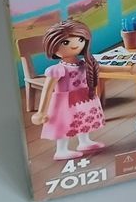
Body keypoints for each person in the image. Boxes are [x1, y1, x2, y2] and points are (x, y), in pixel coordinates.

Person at [31, 19, 106, 160]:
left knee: (83, 120)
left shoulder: (84, 64)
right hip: (64, 102)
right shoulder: (57, 69)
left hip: (83, 97)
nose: (75, 44)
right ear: (53, 46)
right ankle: (61, 150)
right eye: (65, 42)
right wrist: (41, 112)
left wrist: (128, 69)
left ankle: (84, 142)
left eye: (80, 39)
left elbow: (104, 68)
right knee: (64, 124)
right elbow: (47, 90)